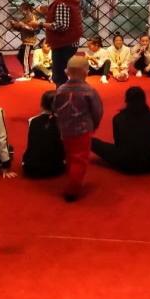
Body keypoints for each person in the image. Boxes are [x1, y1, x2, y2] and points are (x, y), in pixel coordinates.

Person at [52, 54, 103, 201]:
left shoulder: (60, 89)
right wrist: (94, 124)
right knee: (80, 159)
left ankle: (70, 176)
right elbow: (97, 111)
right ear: (86, 72)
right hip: (82, 130)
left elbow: (55, 108)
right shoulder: (89, 91)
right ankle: (72, 190)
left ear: (67, 72)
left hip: (65, 129)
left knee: (69, 154)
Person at [91, 87, 150, 174]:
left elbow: (118, 143)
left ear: (126, 100)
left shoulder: (118, 118)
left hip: (126, 163)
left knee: (93, 142)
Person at [43, 0, 84, 87]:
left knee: (59, 75)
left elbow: (62, 25)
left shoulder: (61, 3)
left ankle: (63, 93)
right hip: (68, 42)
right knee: (66, 72)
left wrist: (41, 24)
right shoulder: (70, 1)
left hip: (64, 43)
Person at [22, 90, 66, 179]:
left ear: (41, 105)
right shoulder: (63, 122)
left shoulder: (32, 120)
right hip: (55, 168)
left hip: (30, 168)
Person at [10, 2, 42, 79]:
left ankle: (27, 74)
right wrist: (14, 25)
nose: (21, 11)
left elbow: (34, 30)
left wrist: (23, 25)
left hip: (29, 41)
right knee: (20, 56)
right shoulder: (26, 18)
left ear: (27, 9)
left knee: (24, 58)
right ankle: (30, 71)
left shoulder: (32, 18)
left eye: (21, 9)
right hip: (25, 41)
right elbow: (22, 29)